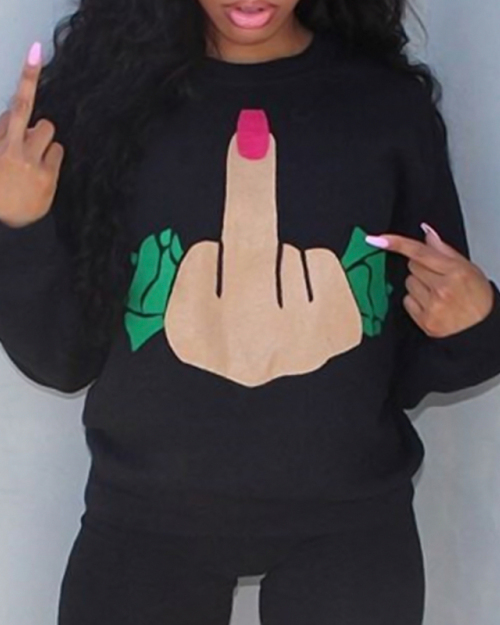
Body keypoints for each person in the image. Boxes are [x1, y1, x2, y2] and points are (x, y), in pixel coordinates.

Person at [1, 1, 500, 624]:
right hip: (143, 519)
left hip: (352, 521)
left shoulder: (384, 109)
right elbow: (60, 359)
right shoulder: (104, 106)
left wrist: (479, 323)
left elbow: (415, 359)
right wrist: (19, 225)